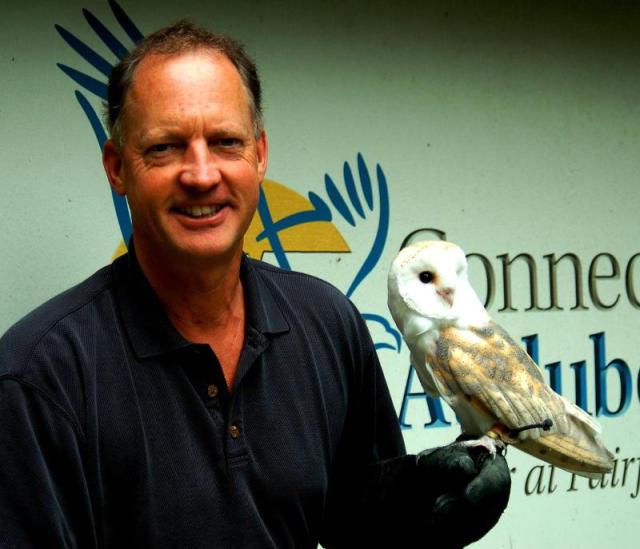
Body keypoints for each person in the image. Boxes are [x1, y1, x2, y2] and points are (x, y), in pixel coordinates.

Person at [0, 20, 510, 548]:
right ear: (117, 168)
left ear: (260, 155)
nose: (201, 174)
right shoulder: (40, 378)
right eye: (165, 148)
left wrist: (419, 510)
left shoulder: (327, 322)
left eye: (225, 142)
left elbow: (354, 519)